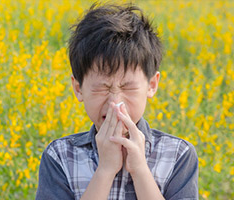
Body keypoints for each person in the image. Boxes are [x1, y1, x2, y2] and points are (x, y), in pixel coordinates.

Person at [36, 3, 198, 200]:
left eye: (127, 87)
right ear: (78, 89)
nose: (115, 102)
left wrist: (139, 170)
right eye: (101, 87)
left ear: (152, 85)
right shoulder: (60, 156)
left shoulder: (177, 155)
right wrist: (105, 170)